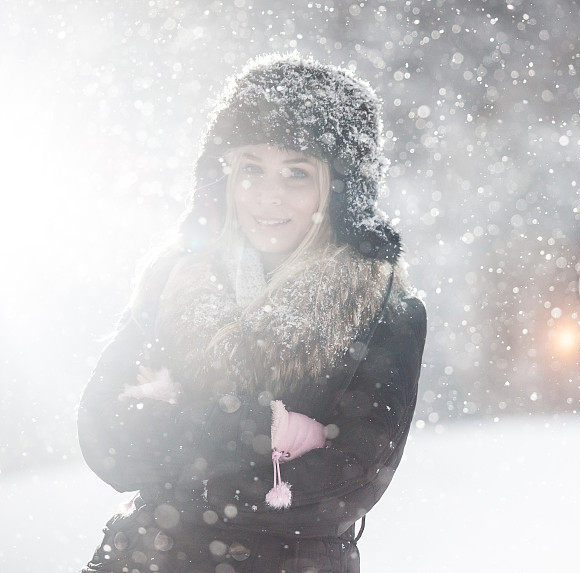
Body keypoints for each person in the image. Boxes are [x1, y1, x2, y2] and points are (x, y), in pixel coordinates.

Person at [78, 52, 427, 572]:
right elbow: (107, 441)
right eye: (251, 168)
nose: (267, 195)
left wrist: (182, 435)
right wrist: (265, 432)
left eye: (295, 172)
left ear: (339, 187)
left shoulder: (386, 311)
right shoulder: (172, 279)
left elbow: (346, 486)